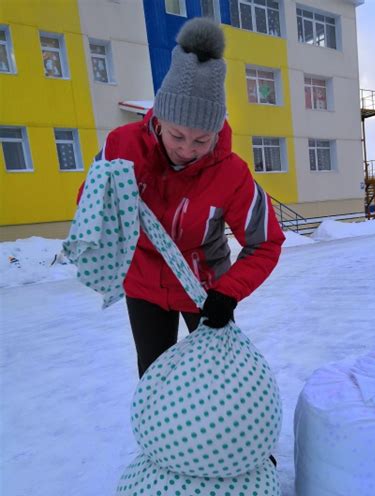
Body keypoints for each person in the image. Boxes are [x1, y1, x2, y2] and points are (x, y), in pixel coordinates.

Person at [85, 18, 285, 378]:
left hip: (206, 292)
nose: (187, 150)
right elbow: (91, 204)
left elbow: (266, 242)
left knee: (217, 380)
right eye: (177, 135)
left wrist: (228, 293)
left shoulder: (231, 173)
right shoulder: (121, 146)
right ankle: (159, 435)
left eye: (201, 141)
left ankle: (223, 435)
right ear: (159, 118)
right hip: (144, 286)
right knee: (154, 379)